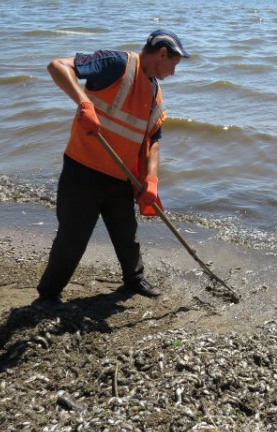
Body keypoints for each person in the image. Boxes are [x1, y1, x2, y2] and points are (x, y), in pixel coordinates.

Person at [35, 29, 190, 305]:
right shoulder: (116, 63)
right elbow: (57, 66)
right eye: (174, 64)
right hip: (83, 169)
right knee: (73, 237)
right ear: (162, 54)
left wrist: (151, 181)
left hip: (121, 176)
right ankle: (49, 293)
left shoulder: (155, 91)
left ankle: (134, 280)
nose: (174, 73)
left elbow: (153, 139)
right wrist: (84, 103)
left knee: (126, 234)